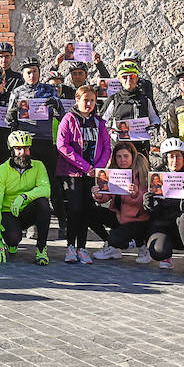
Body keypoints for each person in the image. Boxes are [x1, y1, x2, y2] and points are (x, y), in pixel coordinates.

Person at [6, 56, 65, 238]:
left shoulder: (49, 90)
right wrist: (13, 114)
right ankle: (30, 224)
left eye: (35, 72)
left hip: (45, 141)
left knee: (53, 184)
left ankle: (63, 222)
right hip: (25, 143)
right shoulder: (17, 92)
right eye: (28, 72)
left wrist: (56, 106)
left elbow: (62, 116)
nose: (32, 75)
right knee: (25, 183)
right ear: (23, 74)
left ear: (39, 72)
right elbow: (9, 121)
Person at [55, 84, 112, 263]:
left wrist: (98, 167)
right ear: (77, 100)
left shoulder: (99, 122)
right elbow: (62, 146)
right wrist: (85, 166)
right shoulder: (69, 119)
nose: (89, 104)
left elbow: (107, 147)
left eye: (92, 100)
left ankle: (82, 247)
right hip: (73, 173)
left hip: (92, 174)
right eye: (85, 100)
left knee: (87, 210)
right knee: (75, 209)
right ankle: (70, 246)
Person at [143, 137, 184, 279]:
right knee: (158, 251)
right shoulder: (157, 175)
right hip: (163, 224)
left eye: (178, 156)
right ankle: (166, 254)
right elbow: (153, 211)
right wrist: (149, 203)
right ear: (165, 158)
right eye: (171, 156)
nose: (175, 160)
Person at [0, 130, 53, 265]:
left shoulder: (38, 166)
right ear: (11, 150)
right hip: (8, 212)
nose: (22, 153)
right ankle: (11, 242)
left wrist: (24, 197)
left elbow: (46, 190)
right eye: (18, 149)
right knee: (13, 239)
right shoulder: (2, 171)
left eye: (26, 148)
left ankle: (41, 249)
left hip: (27, 209)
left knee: (43, 203)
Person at [89, 142, 153, 265]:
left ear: (132, 156)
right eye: (119, 156)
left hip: (138, 219)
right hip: (119, 215)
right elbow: (107, 197)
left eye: (125, 156)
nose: (122, 160)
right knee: (90, 213)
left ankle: (141, 243)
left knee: (116, 238)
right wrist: (98, 194)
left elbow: (147, 201)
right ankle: (112, 247)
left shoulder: (141, 172)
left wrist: (135, 194)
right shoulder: (113, 172)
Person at [99, 61, 161, 156]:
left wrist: (152, 128)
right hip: (120, 147)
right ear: (119, 79)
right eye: (124, 77)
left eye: (132, 76)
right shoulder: (113, 99)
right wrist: (111, 131)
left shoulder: (145, 99)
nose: (128, 80)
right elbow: (101, 122)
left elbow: (155, 118)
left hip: (141, 147)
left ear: (137, 78)